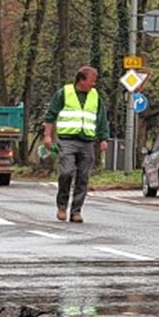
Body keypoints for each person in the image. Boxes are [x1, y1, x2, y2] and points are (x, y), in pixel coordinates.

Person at [42, 66, 110, 223]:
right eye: (92, 81)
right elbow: (50, 115)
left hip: (87, 142)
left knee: (83, 177)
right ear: (81, 80)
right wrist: (47, 136)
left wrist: (103, 138)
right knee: (66, 172)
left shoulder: (95, 96)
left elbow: (101, 119)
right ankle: (62, 206)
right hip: (67, 141)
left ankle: (76, 211)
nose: (94, 84)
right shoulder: (64, 93)